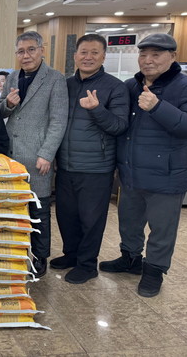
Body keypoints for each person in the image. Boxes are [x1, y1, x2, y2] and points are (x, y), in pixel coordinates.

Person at [99, 33, 187, 297]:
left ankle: (154, 271)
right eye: (143, 54)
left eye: (156, 55)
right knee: (129, 222)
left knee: (161, 228)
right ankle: (130, 258)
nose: (148, 60)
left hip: (167, 175)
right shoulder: (131, 86)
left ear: (172, 56)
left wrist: (157, 106)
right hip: (131, 171)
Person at [52, 34, 129, 284]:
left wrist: (96, 109)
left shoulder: (115, 87)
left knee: (91, 220)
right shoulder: (66, 85)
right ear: (75, 56)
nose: (88, 57)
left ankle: (87, 265)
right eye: (83, 52)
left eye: (94, 52)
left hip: (97, 168)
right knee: (66, 216)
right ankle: (72, 255)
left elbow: (119, 126)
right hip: (65, 164)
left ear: (104, 57)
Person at [0, 31, 68, 277]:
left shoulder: (55, 79)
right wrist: (8, 104)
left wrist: (47, 154)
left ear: (41, 50)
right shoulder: (12, 76)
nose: (25, 56)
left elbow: (58, 120)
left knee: (39, 210)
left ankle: (40, 257)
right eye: (20, 51)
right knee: (13, 209)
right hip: (10, 155)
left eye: (30, 50)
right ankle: (14, 254)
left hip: (38, 157)